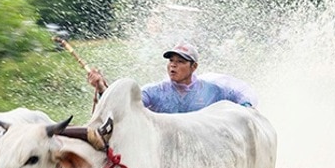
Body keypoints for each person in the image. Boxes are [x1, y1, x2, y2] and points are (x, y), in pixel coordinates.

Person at [87, 41, 256, 113]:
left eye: (180, 61)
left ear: (194, 67)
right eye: (171, 61)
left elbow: (242, 98)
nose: (173, 65)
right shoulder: (155, 91)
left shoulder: (213, 90)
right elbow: (125, 107)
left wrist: (246, 109)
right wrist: (102, 88)